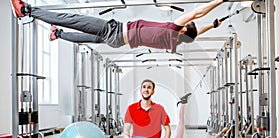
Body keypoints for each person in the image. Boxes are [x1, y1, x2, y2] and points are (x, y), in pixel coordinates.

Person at [10, 0, 227, 53]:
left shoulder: (173, 28)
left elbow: (197, 12)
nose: (185, 21)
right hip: (117, 41)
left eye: (185, 24)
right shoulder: (175, 41)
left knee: (73, 18)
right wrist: (213, 25)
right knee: (84, 36)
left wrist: (221, 1)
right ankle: (58, 34)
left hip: (114, 31)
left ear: (181, 28)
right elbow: (195, 34)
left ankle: (26, 10)